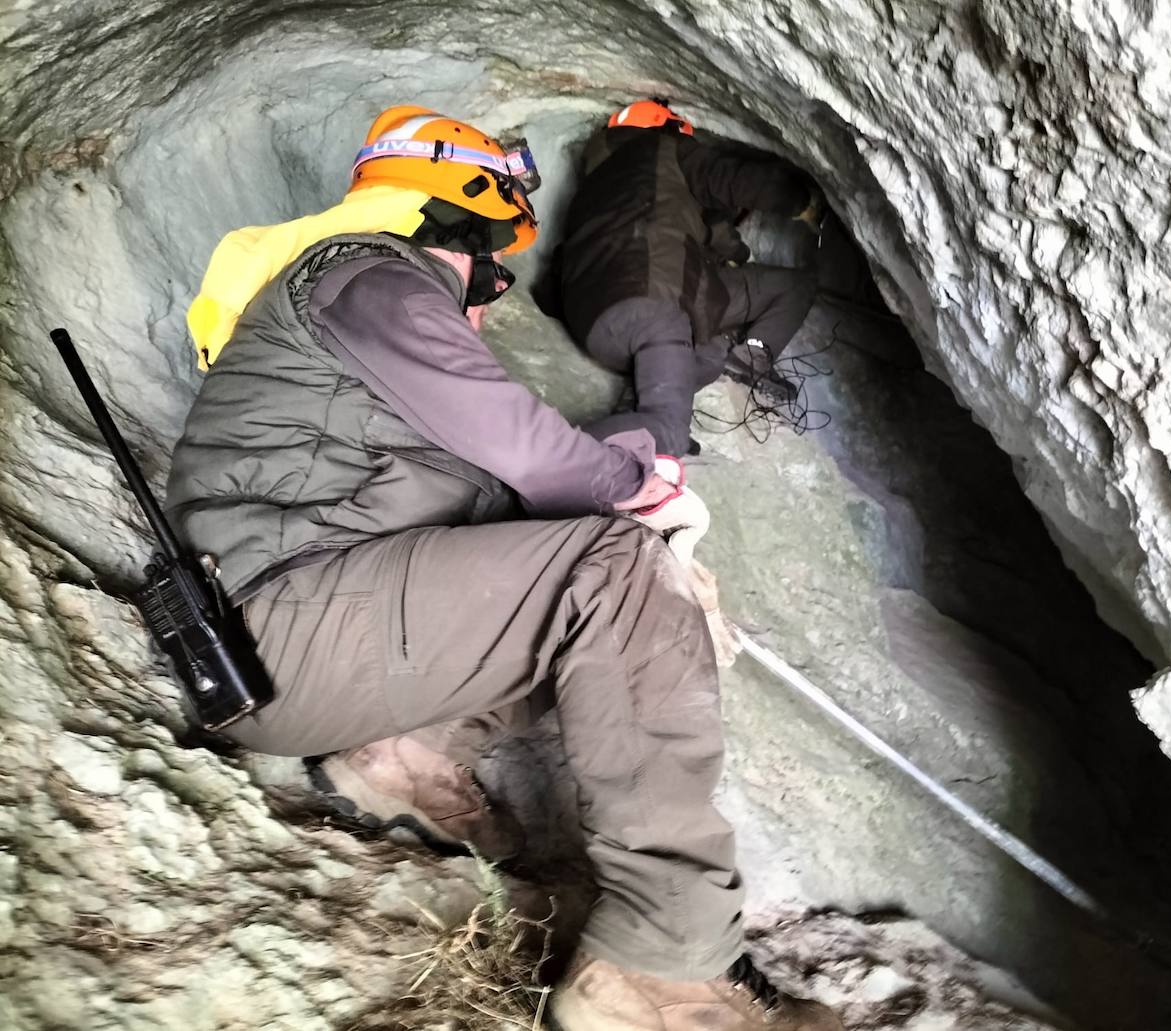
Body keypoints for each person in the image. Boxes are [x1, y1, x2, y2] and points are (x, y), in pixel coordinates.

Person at [165, 106, 841, 1031]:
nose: (486, 305)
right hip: (289, 625)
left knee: (595, 550)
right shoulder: (370, 274)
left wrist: (640, 482)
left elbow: (508, 492)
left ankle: (406, 753)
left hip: (297, 634)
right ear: (468, 211)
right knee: (611, 565)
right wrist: (645, 516)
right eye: (496, 267)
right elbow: (527, 451)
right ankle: (665, 960)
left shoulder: (347, 315)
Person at [558, 99, 821, 457]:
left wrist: (730, 258)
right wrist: (802, 202)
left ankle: (640, 403)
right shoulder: (666, 148)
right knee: (666, 435)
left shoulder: (596, 183)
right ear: (668, 129)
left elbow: (710, 234)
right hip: (649, 303)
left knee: (710, 351)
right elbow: (736, 180)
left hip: (591, 319)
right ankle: (542, 462)